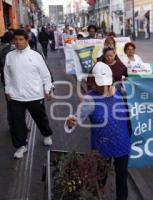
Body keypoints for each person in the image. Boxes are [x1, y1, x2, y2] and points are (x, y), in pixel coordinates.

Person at [65, 63, 131, 200]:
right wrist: (70, 122)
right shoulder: (89, 100)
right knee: (101, 175)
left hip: (122, 143)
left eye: (106, 83)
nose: (103, 86)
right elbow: (77, 118)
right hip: (102, 146)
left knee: (122, 176)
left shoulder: (122, 92)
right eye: (100, 83)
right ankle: (99, 194)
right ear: (93, 80)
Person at [4, 29, 54, 159]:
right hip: (15, 96)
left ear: (27, 40)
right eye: (16, 40)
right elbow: (7, 75)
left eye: (21, 40)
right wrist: (8, 90)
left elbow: (46, 74)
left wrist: (48, 89)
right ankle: (21, 146)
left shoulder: (36, 55)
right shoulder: (10, 56)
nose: (18, 42)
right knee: (17, 123)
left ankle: (46, 134)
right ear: (13, 41)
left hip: (35, 95)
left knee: (40, 118)